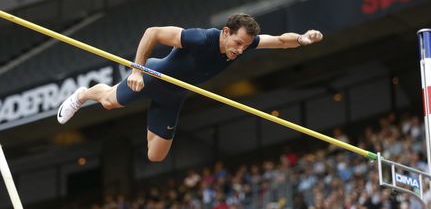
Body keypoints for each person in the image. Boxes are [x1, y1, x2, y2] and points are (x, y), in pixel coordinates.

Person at [57, 13, 323, 162]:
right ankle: (83, 94)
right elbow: (152, 32)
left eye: (245, 46)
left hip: (174, 94)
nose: (240, 50)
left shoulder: (244, 44)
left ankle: (150, 120)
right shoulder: (201, 37)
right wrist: (137, 70)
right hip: (153, 75)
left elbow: (279, 41)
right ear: (226, 32)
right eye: (238, 43)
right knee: (109, 102)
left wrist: (301, 38)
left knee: (156, 155)